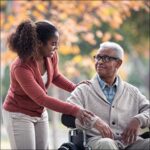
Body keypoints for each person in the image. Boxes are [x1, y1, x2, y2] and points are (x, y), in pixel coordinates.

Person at [2, 19, 93, 150]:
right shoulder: (21, 67)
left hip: (39, 112)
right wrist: (75, 110)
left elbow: (55, 76)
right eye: (53, 44)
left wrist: (74, 87)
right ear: (39, 43)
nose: (56, 47)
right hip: (18, 114)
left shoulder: (51, 56)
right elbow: (42, 99)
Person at [67, 41, 150, 150]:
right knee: (107, 144)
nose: (100, 62)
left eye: (106, 58)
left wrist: (138, 119)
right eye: (97, 57)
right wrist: (93, 122)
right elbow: (66, 116)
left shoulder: (132, 92)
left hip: (130, 143)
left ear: (118, 63)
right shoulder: (83, 90)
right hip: (97, 141)